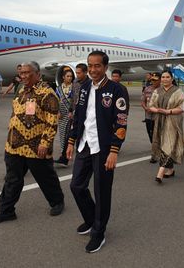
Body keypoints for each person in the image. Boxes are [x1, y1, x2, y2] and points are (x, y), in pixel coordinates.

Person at [66, 51, 128, 253]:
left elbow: (121, 123)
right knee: (76, 186)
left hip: (104, 148)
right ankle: (92, 219)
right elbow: (78, 117)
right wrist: (71, 141)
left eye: (97, 66)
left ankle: (98, 233)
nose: (93, 70)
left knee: (102, 192)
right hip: (85, 145)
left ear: (105, 67)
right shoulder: (83, 87)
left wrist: (114, 151)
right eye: (90, 66)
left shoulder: (117, 90)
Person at [0, 61, 65, 224]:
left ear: (37, 74)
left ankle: (57, 201)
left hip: (36, 146)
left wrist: (45, 142)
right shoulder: (21, 90)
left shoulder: (47, 93)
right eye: (21, 73)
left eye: (26, 73)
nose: (22, 76)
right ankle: (6, 210)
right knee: (12, 179)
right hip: (14, 145)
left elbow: (52, 121)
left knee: (46, 177)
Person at [149, 70, 184, 183]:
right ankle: (170, 169)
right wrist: (158, 110)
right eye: (163, 77)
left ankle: (160, 172)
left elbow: (182, 106)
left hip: (172, 121)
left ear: (172, 78)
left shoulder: (178, 91)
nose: (165, 79)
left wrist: (168, 111)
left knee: (168, 144)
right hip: (159, 120)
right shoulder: (157, 91)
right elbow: (151, 105)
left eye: (167, 77)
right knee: (161, 143)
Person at [54, 69, 74, 167]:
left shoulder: (74, 88)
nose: (69, 78)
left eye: (71, 76)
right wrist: (57, 112)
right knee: (62, 134)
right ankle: (63, 152)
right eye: (68, 76)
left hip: (71, 114)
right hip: (61, 114)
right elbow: (55, 101)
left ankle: (65, 155)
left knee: (68, 134)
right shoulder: (58, 88)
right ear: (63, 77)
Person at [141, 72, 161, 162]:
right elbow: (143, 101)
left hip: (158, 116)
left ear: (160, 80)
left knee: (157, 135)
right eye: (152, 80)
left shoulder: (163, 90)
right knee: (150, 134)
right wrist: (146, 108)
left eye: (156, 80)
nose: (154, 82)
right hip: (148, 116)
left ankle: (155, 154)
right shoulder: (147, 89)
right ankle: (155, 148)